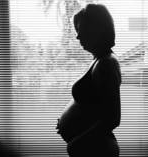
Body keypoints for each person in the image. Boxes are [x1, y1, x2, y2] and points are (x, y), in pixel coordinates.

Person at [56, 4, 121, 157]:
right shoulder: (100, 60)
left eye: (81, 29)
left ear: (96, 29)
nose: (77, 36)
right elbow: (91, 105)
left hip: (98, 149)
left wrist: (78, 142)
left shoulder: (106, 64)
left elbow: (112, 119)